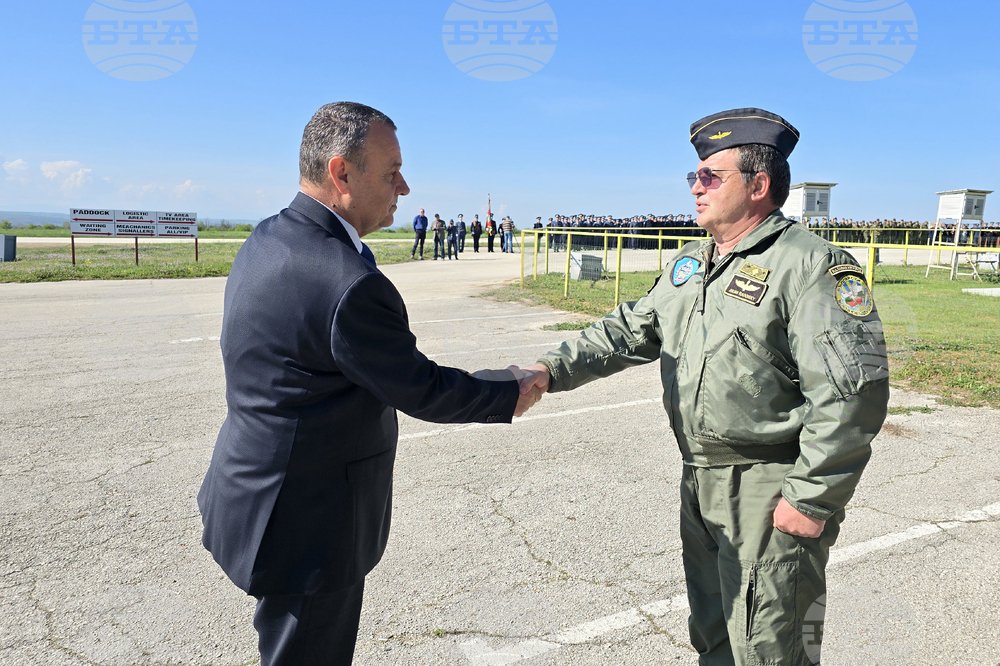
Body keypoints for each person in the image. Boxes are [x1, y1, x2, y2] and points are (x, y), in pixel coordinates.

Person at [516, 108, 889, 666]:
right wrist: (550, 369)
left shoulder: (810, 265)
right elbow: (632, 328)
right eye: (693, 176)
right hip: (700, 476)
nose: (696, 187)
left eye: (710, 176)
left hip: (768, 483)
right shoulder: (695, 261)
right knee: (713, 635)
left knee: (771, 646)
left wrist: (810, 498)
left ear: (759, 185)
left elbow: (853, 392)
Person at [196, 102, 544, 666]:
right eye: (391, 172)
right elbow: (421, 388)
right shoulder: (343, 280)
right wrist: (509, 389)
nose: (403, 187)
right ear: (341, 173)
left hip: (255, 491)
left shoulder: (271, 237)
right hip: (306, 522)